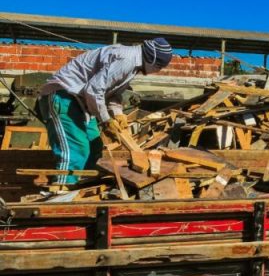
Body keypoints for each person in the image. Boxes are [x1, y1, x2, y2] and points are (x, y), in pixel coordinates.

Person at [38, 38, 173, 184]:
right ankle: (62, 190)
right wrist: (106, 120)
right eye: (159, 67)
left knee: (95, 146)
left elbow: (112, 94)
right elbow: (94, 89)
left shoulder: (133, 64)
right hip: (64, 96)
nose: (158, 71)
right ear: (153, 60)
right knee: (76, 150)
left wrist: (118, 114)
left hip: (82, 103)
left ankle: (81, 186)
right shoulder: (127, 60)